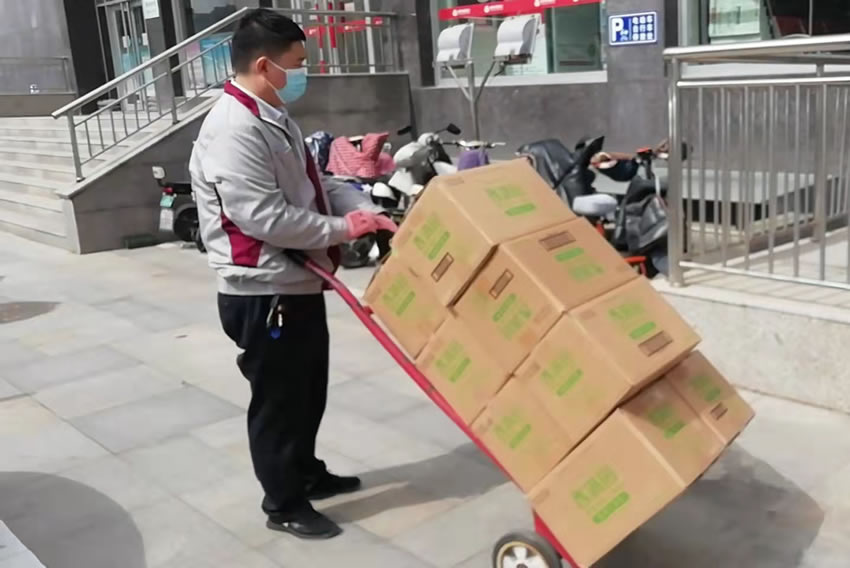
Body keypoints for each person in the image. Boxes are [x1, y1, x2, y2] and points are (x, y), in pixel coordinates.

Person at [189, 8, 396, 540]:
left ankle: (305, 472)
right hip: (262, 289)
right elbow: (263, 217)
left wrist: (362, 207)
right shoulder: (233, 129)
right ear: (264, 65)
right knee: (279, 401)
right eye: (298, 63)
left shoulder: (273, 114)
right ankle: (282, 502)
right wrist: (342, 229)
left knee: (308, 390)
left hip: (297, 281)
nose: (304, 72)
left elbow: (314, 183)